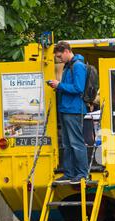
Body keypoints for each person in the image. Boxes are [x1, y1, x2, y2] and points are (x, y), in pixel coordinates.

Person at [48, 41, 89, 182]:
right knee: (66, 143)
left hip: (74, 109)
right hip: (66, 109)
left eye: (60, 56)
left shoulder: (77, 66)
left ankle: (82, 173)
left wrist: (60, 85)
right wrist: (58, 86)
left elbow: (78, 88)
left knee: (76, 142)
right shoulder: (69, 66)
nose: (59, 59)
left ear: (66, 51)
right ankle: (70, 173)